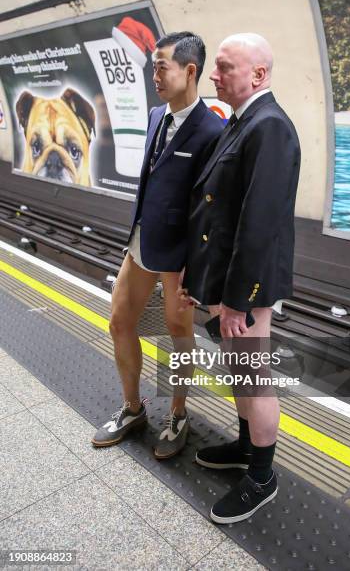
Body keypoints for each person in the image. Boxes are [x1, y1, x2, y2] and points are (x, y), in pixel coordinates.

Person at [179, 33, 301, 523]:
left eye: (225, 67)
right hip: (226, 280)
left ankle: (263, 476)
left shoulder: (270, 127)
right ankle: (247, 446)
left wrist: (238, 300)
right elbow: (216, 207)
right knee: (239, 371)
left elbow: (259, 223)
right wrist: (198, 272)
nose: (214, 74)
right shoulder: (243, 121)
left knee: (255, 377)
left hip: (245, 286)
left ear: (258, 74)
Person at [92, 32, 224, 458]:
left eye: (161, 66)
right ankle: (134, 409)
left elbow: (211, 209)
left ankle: (179, 414)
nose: (155, 75)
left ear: (190, 71)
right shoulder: (155, 116)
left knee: (178, 331)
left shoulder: (212, 131)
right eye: (153, 66)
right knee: (119, 320)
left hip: (179, 256)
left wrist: (195, 265)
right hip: (142, 241)